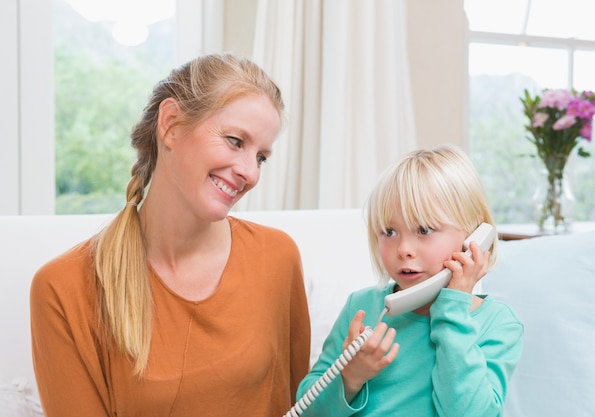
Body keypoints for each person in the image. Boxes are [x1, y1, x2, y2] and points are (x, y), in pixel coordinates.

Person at [30, 53, 311, 417]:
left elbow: (300, 403)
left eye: (261, 157)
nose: (250, 174)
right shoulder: (63, 289)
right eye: (235, 141)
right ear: (171, 124)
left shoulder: (277, 258)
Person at [295, 145, 523, 417]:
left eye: (424, 230)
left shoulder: (498, 324)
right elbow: (308, 411)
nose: (404, 249)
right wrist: (351, 377)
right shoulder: (363, 307)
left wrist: (453, 309)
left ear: (474, 237)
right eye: (389, 231)